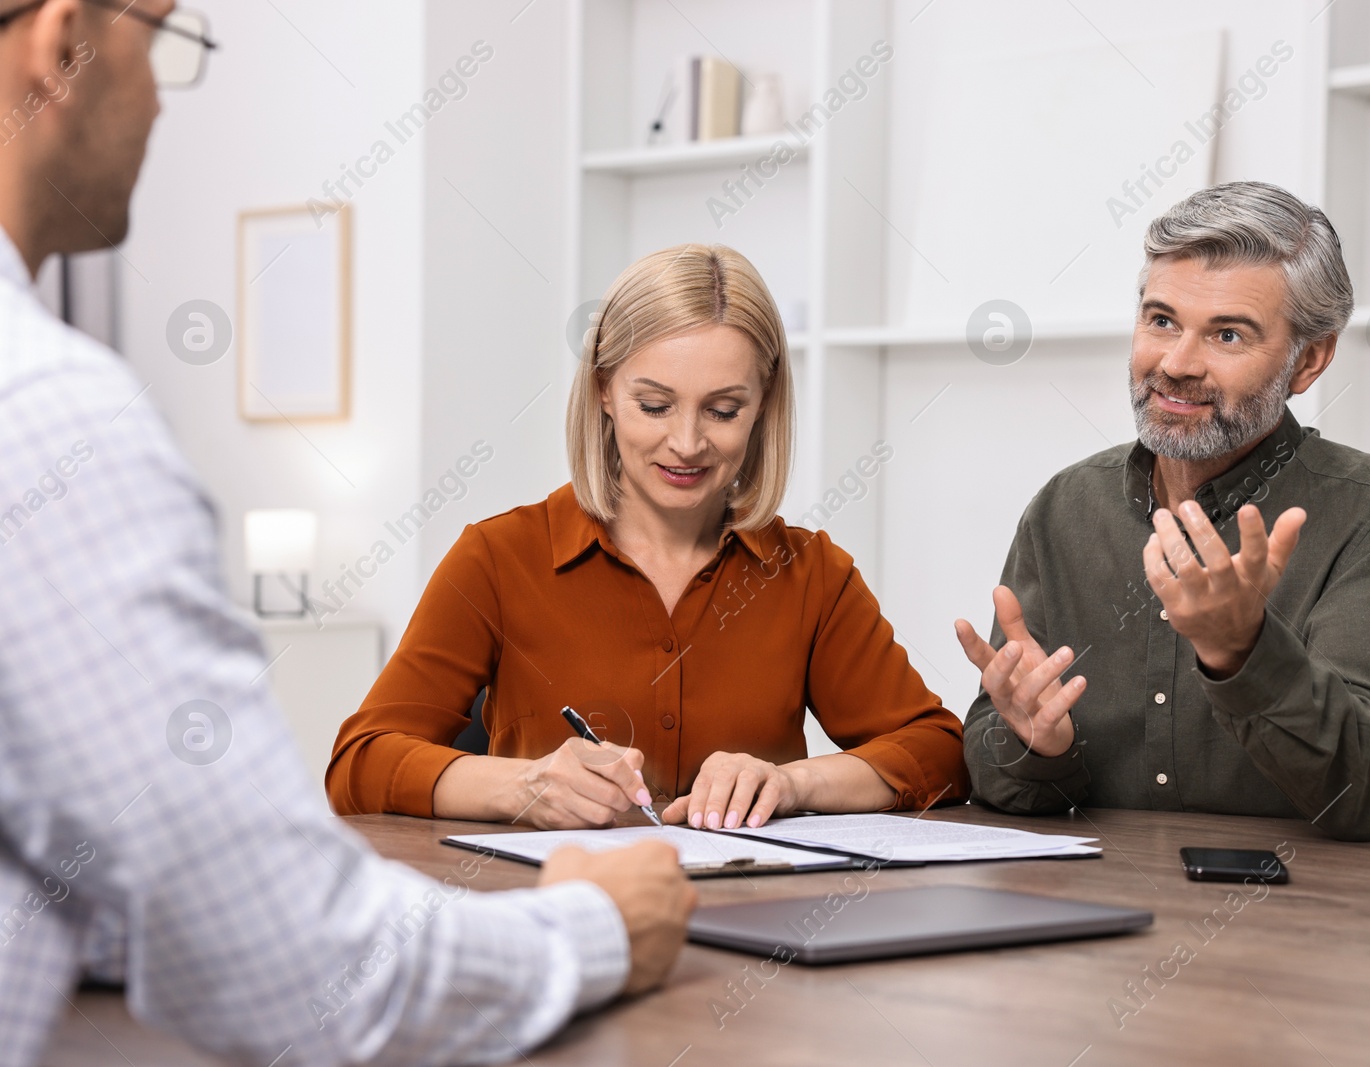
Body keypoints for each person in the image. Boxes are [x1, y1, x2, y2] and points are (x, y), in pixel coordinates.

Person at [0, 3, 694, 1065]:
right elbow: (304, 968)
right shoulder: (47, 414)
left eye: (726, 409)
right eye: (163, 41)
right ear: (61, 44)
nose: (155, 99)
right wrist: (595, 921)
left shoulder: (810, 565)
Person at [328, 243, 969, 832]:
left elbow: (939, 754)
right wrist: (523, 784)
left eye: (723, 411)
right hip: (552, 918)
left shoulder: (809, 573)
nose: (687, 443)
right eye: (655, 406)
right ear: (605, 391)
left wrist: (791, 783)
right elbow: (359, 764)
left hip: (758, 923)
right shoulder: (498, 559)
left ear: (764, 404)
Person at [956, 181, 1370, 842]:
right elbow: (995, 759)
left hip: (1309, 925)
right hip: (1099, 920)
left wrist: (1243, 650)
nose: (1176, 364)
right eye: (1161, 321)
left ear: (1311, 359)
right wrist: (1036, 746)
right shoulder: (1064, 507)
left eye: (1229, 334)